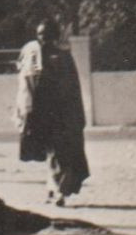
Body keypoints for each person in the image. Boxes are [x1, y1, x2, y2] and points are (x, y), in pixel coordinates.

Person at [16, 19, 89, 206]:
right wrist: (26, 113)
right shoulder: (33, 57)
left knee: (60, 152)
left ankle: (58, 191)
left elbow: (73, 88)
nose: (43, 38)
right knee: (51, 152)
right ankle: (53, 188)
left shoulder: (63, 57)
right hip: (41, 114)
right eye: (40, 34)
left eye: (47, 35)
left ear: (55, 37)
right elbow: (26, 87)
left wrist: (76, 115)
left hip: (61, 113)